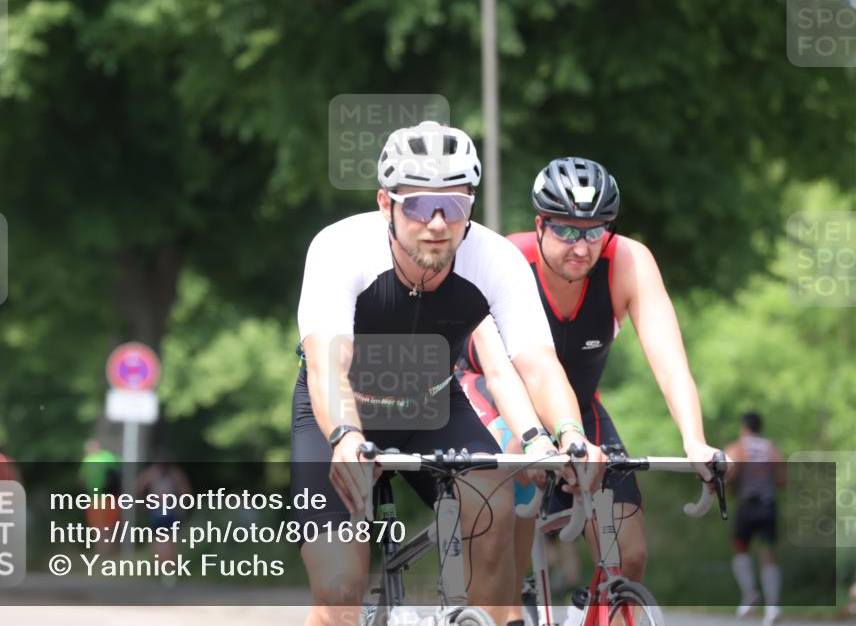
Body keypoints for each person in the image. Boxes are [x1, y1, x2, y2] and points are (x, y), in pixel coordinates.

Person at [291, 122, 605, 626]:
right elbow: (330, 363)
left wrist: (570, 434)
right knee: (338, 590)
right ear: (384, 203)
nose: (437, 222)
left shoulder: (495, 259)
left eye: (454, 206)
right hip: (339, 410)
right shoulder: (339, 248)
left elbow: (538, 364)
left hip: (433, 404)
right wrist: (346, 435)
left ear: (470, 209)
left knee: (497, 504)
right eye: (417, 205)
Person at [457, 156, 722, 624]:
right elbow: (503, 370)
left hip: (578, 408)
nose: (581, 246)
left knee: (629, 554)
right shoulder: (504, 259)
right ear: (539, 225)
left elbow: (670, 360)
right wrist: (538, 442)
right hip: (492, 395)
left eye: (595, 231)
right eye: (566, 231)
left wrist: (694, 439)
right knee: (514, 486)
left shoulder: (628, 261)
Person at [725, 412, 786, 626]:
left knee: (740, 548)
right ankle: (772, 608)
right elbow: (781, 481)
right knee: (768, 553)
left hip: (747, 505)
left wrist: (731, 488)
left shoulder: (738, 447)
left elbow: (729, 473)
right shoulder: (772, 448)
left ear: (744, 427)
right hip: (768, 504)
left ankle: (750, 594)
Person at [137, 457, 192, 567]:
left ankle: (166, 565)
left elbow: (185, 491)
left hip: (166, 510)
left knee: (165, 540)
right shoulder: (169, 473)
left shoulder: (170, 473)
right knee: (165, 540)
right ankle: (165, 565)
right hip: (161, 510)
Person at [79, 439, 121, 556]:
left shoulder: (87, 460)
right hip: (110, 498)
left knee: (98, 528)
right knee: (110, 527)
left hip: (95, 499)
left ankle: (102, 554)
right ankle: (111, 553)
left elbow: (82, 480)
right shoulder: (108, 457)